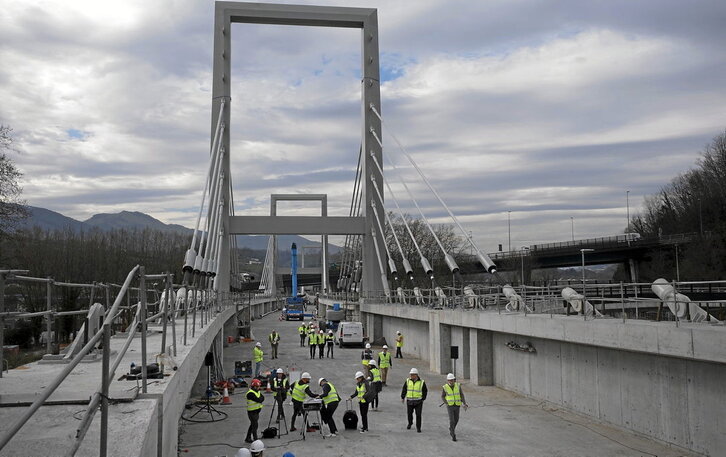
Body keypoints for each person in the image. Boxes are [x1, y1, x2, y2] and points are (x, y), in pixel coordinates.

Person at [441, 373, 469, 441]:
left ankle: (451, 428)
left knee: (456, 419)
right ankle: (453, 434)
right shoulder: (445, 387)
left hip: (457, 405)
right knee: (452, 420)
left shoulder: (458, 386)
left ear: (454, 380)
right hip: (450, 406)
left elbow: (461, 395)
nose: (451, 381)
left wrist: (464, 403)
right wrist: (446, 402)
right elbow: (443, 396)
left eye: (452, 380)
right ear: (448, 380)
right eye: (449, 380)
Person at [400, 367, 427, 433]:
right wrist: (402, 397)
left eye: (412, 375)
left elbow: (425, 391)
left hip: (418, 401)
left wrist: (423, 398)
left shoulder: (422, 382)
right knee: (409, 414)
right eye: (411, 375)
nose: (411, 376)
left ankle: (418, 427)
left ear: (416, 375)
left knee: (418, 414)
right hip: (410, 401)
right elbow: (404, 389)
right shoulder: (408, 381)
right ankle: (410, 423)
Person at [245, 379, 265, 443]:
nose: (259, 388)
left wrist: (260, 399)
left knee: (252, 425)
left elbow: (262, 398)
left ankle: (248, 438)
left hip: (256, 412)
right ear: (254, 386)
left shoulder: (257, 392)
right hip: (252, 412)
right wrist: (260, 399)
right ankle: (255, 440)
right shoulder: (250, 393)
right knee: (255, 426)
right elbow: (259, 400)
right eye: (258, 386)